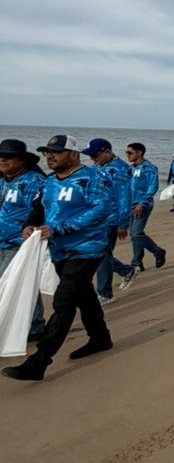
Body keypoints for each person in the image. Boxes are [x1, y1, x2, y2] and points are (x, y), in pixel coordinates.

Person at [2, 135, 112, 382]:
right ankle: (100, 338)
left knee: (64, 302)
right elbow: (39, 208)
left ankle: (38, 362)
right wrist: (28, 225)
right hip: (59, 250)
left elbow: (101, 209)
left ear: (73, 154)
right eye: (47, 152)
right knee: (84, 296)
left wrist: (61, 228)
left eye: (56, 152)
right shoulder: (49, 182)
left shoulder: (93, 178)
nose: (50, 156)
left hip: (87, 249)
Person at [0, 137, 47, 342]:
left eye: (8, 156)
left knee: (9, 284)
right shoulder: (3, 180)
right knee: (24, 283)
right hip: (2, 241)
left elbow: (42, 210)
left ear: (23, 160)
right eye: (0, 156)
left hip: (19, 243)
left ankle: (22, 327)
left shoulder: (33, 182)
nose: (2, 160)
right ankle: (36, 325)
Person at [82, 138, 132, 305]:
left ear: (107, 151)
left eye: (95, 155)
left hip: (111, 219)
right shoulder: (98, 167)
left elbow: (124, 198)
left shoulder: (119, 170)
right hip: (96, 217)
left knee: (101, 254)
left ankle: (105, 293)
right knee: (101, 253)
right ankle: (126, 270)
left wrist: (123, 224)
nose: (92, 159)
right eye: (90, 156)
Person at [118, 141, 165, 288]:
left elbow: (153, 187)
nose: (127, 155)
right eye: (126, 152)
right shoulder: (131, 168)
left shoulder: (148, 168)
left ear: (139, 153)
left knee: (136, 233)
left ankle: (158, 252)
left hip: (142, 205)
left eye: (130, 152)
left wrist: (142, 203)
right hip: (130, 205)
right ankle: (137, 262)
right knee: (133, 235)